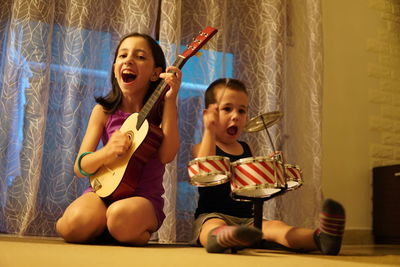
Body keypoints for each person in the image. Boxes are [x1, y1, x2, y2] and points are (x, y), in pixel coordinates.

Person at [190, 78, 346, 255]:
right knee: (212, 226)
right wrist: (209, 130)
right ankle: (223, 237)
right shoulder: (203, 146)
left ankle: (321, 238)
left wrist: (272, 169)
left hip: (249, 220)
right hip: (214, 214)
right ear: (208, 114)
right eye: (227, 109)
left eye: (242, 111)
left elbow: (256, 186)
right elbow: (204, 169)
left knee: (277, 227)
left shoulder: (247, 148)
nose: (236, 116)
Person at [56, 33, 182, 245]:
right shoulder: (103, 111)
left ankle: (118, 228)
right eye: (123, 55)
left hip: (142, 199)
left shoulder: (162, 112)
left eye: (140, 57)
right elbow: (80, 167)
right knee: (73, 226)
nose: (129, 60)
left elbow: (167, 155)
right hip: (102, 193)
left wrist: (170, 100)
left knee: (119, 216)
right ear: (115, 68)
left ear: (155, 74)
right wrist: (106, 152)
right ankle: (102, 226)